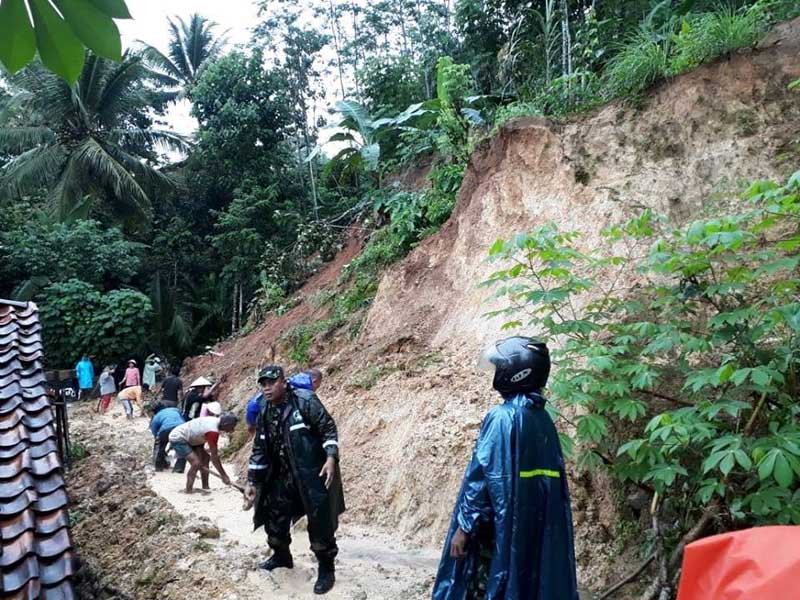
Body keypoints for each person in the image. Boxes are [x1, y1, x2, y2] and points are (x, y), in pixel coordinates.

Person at [431, 337, 578, 600]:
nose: (496, 374)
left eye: (500, 368)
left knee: (484, 586)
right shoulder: (543, 420)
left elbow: (484, 478)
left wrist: (465, 527)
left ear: (516, 373)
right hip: (530, 531)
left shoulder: (502, 418)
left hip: (497, 531)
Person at [243, 365, 344, 595]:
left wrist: (331, 458)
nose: (267, 388)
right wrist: (252, 481)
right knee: (273, 517)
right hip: (281, 476)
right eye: (263, 384)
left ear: (283, 381)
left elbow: (328, 428)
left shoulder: (305, 400)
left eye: (271, 382)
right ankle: (281, 556)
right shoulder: (264, 409)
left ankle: (326, 568)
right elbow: (259, 447)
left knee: (320, 521)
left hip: (312, 474)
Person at [168, 412, 238, 493]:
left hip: (193, 438)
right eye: (232, 427)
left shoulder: (215, 423)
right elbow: (214, 457)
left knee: (205, 458)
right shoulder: (212, 431)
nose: (232, 430)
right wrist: (224, 475)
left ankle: (205, 487)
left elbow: (212, 456)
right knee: (196, 463)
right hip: (178, 438)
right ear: (226, 424)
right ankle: (188, 490)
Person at [245, 368, 324, 434]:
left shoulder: (296, 379)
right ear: (315, 381)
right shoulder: (306, 386)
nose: (316, 389)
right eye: (318, 386)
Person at [149, 404, 185, 471]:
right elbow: (182, 418)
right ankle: (179, 467)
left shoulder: (157, 416)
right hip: (181, 428)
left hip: (166, 429)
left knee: (161, 447)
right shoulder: (175, 409)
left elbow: (154, 431)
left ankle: (159, 467)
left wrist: (158, 439)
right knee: (182, 447)